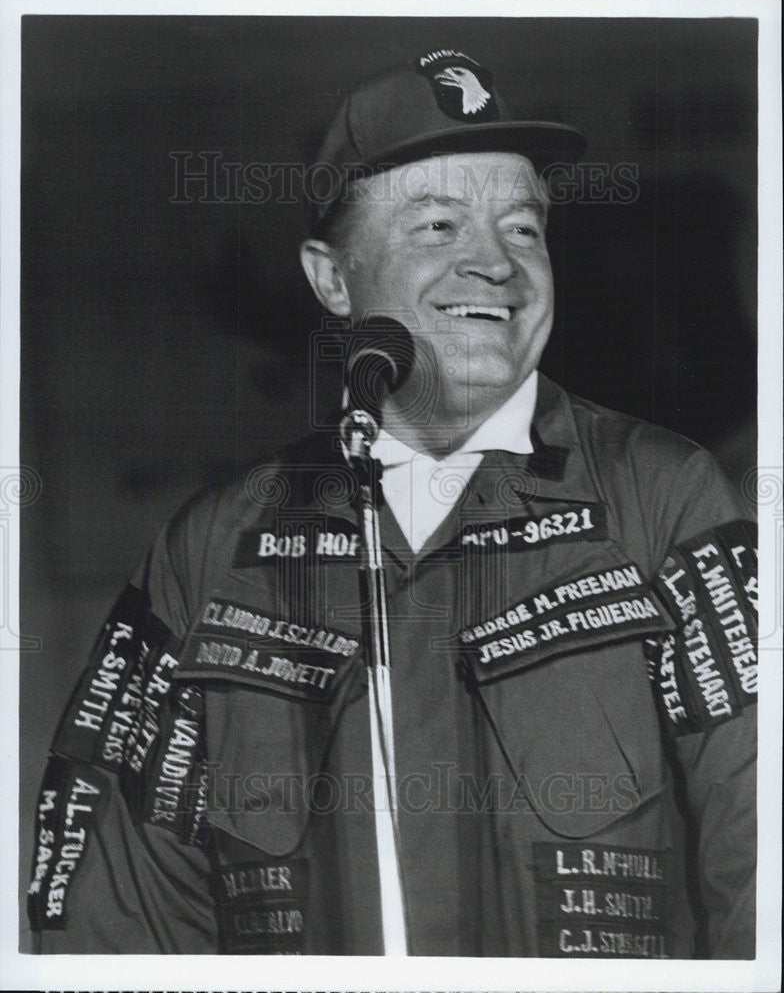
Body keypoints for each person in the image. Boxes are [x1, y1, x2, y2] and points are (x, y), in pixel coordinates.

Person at [27, 48, 757, 958]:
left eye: (524, 229)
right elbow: (113, 920)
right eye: (439, 226)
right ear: (333, 281)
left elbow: (761, 849)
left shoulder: (665, 496)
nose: (495, 264)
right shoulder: (212, 549)